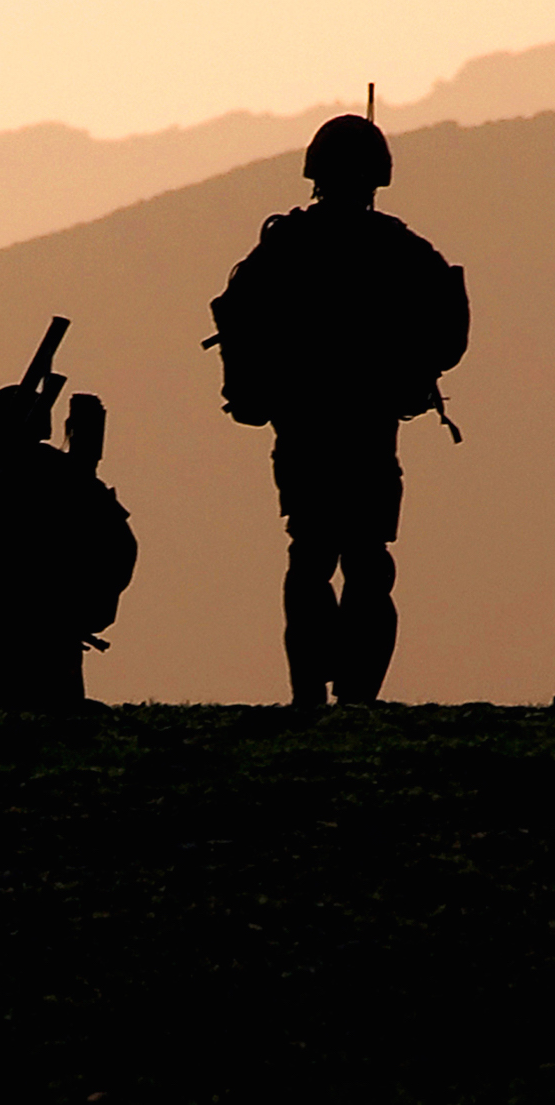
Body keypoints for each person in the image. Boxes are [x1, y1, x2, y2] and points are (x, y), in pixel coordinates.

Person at [209, 115, 467, 709]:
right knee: (367, 562)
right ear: (378, 176)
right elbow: (448, 330)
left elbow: (236, 315)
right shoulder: (401, 249)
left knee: (310, 556)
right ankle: (356, 696)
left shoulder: (283, 247)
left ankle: (309, 695)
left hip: (302, 427)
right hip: (368, 429)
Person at [0, 383, 137, 707]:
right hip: (53, 618)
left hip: (17, 620)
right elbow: (121, 545)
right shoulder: (76, 480)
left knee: (16, 716)